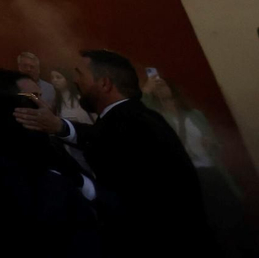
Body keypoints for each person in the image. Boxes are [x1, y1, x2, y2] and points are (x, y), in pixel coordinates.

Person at [14, 48, 212, 252]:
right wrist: (59, 126)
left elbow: (132, 199)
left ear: (105, 83)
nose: (75, 80)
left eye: (80, 74)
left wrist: (77, 180)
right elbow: (101, 135)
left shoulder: (131, 122)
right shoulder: (127, 117)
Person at [0, 68, 102, 255]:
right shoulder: (0, 158)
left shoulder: (49, 141)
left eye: (40, 96)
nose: (43, 104)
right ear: (9, 103)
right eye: (33, 97)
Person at [142, 71, 251, 256]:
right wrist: (144, 91)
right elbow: (138, 115)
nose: (161, 88)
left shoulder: (195, 115)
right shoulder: (156, 119)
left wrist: (211, 143)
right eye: (157, 86)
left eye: (164, 84)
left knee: (235, 223)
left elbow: (217, 146)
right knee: (212, 228)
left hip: (213, 174)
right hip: (189, 179)